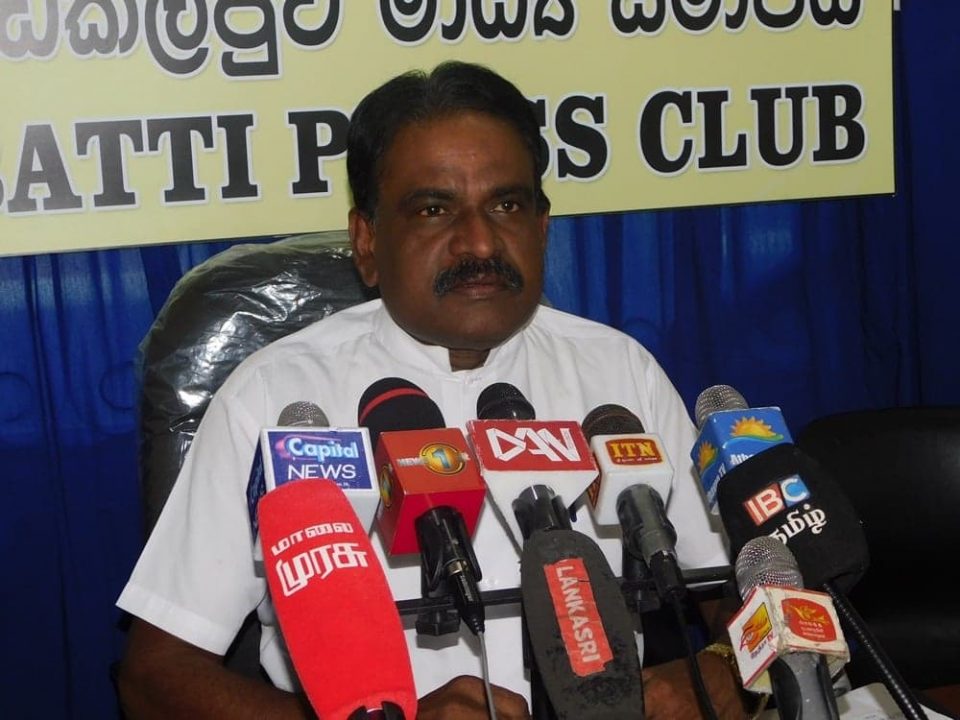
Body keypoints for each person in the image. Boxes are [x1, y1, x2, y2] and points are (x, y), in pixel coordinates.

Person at [116, 61, 749, 719]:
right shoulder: (277, 397)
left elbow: (740, 586)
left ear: (542, 228)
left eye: (506, 205)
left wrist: (725, 667)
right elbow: (156, 676)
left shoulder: (619, 376)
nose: (479, 242)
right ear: (367, 242)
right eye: (433, 209)